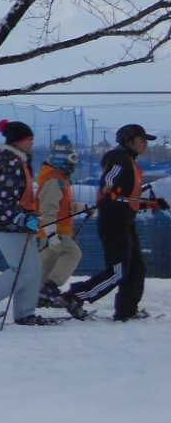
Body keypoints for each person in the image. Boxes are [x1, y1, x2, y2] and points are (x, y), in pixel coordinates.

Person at [63, 124, 167, 322]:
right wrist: (108, 190)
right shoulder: (119, 158)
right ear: (130, 141)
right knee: (118, 272)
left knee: (135, 268)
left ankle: (127, 310)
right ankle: (75, 296)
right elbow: (109, 183)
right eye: (142, 139)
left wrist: (151, 203)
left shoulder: (131, 162)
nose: (146, 143)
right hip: (114, 222)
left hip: (125, 221)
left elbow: (128, 198)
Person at [0, 119, 49, 324]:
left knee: (33, 269)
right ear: (19, 141)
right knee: (23, 270)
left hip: (20, 223)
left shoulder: (19, 160)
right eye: (30, 139)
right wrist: (22, 217)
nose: (32, 143)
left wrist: (30, 216)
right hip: (9, 223)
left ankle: (25, 314)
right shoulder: (10, 162)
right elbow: (6, 199)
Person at [36, 135, 88, 316]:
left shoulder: (60, 179)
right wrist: (51, 232)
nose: (74, 165)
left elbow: (64, 206)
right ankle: (49, 288)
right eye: (72, 159)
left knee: (47, 264)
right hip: (55, 230)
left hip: (54, 229)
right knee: (72, 253)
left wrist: (82, 208)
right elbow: (48, 208)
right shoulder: (53, 180)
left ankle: (39, 294)